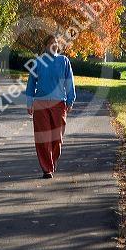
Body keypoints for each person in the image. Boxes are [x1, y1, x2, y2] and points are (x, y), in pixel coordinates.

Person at [25, 34, 76, 179]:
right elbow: (31, 85)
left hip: (59, 104)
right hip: (40, 104)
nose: (55, 45)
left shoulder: (63, 61)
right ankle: (47, 169)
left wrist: (70, 100)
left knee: (57, 138)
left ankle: (51, 161)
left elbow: (69, 82)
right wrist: (29, 103)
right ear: (46, 46)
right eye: (51, 43)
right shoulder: (38, 62)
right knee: (43, 138)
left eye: (56, 42)